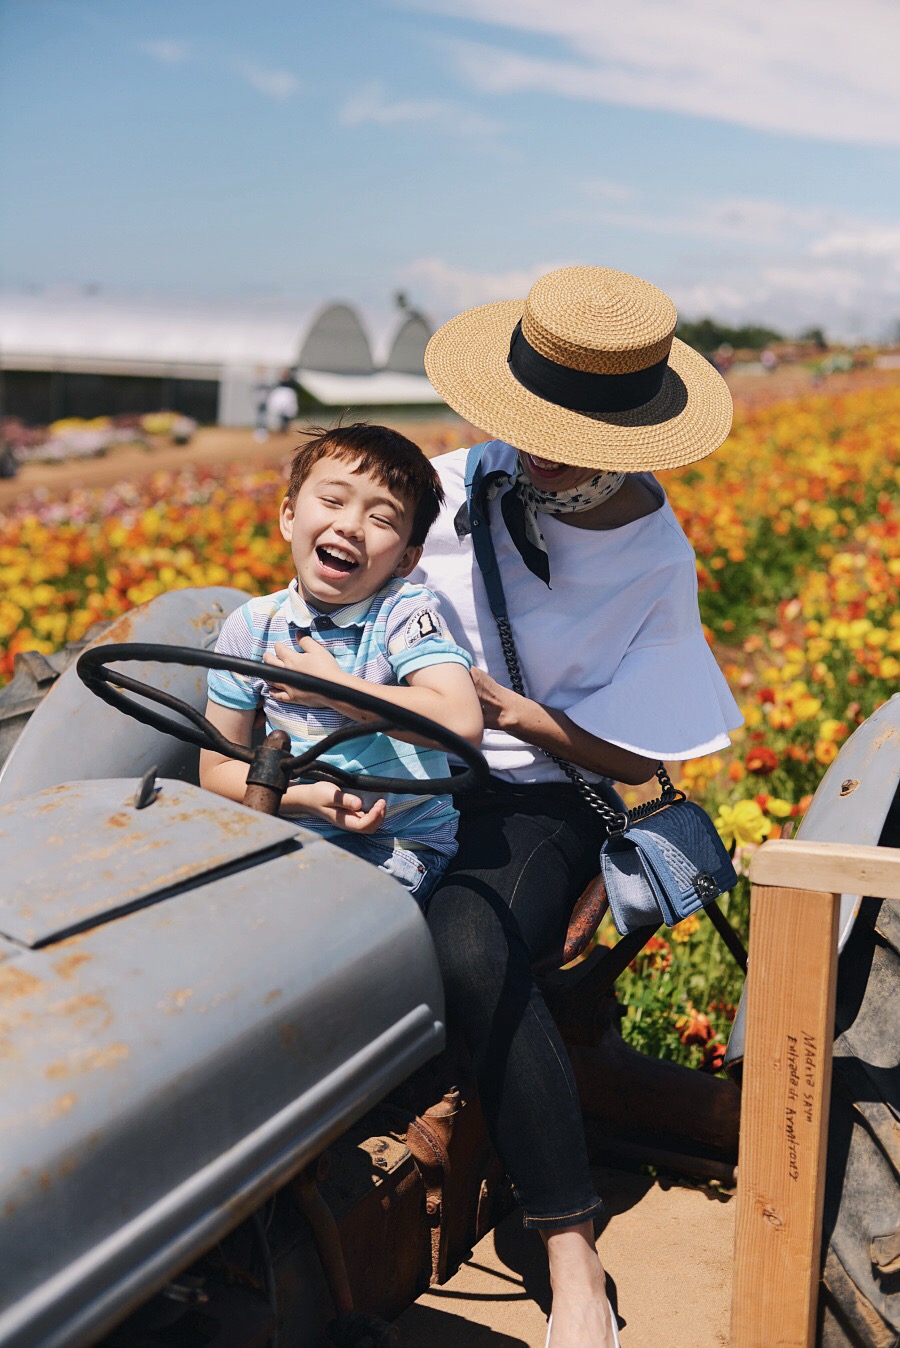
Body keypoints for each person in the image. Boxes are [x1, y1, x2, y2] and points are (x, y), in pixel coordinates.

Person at [415, 266, 743, 1347]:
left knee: (470, 939)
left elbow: (638, 753)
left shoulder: (654, 555)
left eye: (570, 428)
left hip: (536, 791)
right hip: (400, 765)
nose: (536, 445)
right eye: (528, 418)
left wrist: (527, 719)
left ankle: (571, 1256)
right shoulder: (436, 485)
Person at [199, 422, 482, 908]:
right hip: (285, 825)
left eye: (382, 518)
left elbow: (461, 721)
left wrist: (334, 689)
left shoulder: (405, 615)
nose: (350, 525)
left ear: (406, 558)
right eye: (333, 501)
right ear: (289, 515)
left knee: (314, 916)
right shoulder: (252, 627)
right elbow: (218, 770)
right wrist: (304, 799)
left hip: (395, 841)